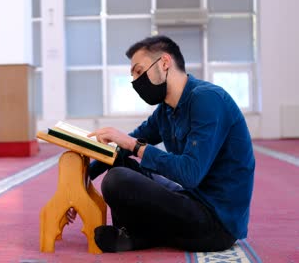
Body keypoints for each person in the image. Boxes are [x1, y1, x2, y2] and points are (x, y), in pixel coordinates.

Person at [66, 35, 255, 253]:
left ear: (164, 63)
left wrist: (133, 144)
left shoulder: (207, 99)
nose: (136, 82)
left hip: (216, 223)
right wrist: (79, 183)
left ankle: (141, 235)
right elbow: (123, 147)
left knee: (117, 180)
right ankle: (142, 236)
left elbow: (190, 173)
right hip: (191, 200)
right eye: (133, 76)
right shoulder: (166, 110)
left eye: (139, 71)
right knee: (120, 165)